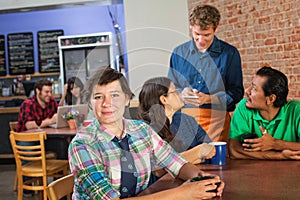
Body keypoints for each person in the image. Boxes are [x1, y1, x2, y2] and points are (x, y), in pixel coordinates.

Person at [68, 67, 224, 199]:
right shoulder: (82, 144)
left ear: (127, 99)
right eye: (98, 97)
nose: (107, 103)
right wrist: (183, 193)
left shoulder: (142, 130)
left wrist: (201, 178)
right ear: (90, 102)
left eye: (114, 95)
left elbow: (177, 163)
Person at [168, 4, 244, 142]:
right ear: (191, 27)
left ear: (216, 29)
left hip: (217, 121)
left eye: (207, 35)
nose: (201, 40)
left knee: (216, 161)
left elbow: (236, 92)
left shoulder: (230, 54)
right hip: (183, 120)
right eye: (197, 34)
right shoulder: (178, 53)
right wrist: (181, 94)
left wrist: (209, 99)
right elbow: (168, 90)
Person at [138, 77, 215, 165]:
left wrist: (193, 156)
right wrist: (197, 153)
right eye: (175, 91)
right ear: (164, 99)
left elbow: (210, 150)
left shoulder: (187, 119)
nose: (180, 94)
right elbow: (158, 168)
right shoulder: (145, 130)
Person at [229, 66, 300, 160]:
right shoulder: (244, 107)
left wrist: (275, 144)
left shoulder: (296, 111)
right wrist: (279, 156)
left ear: (270, 98)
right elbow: (234, 150)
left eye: (254, 88)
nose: (247, 91)